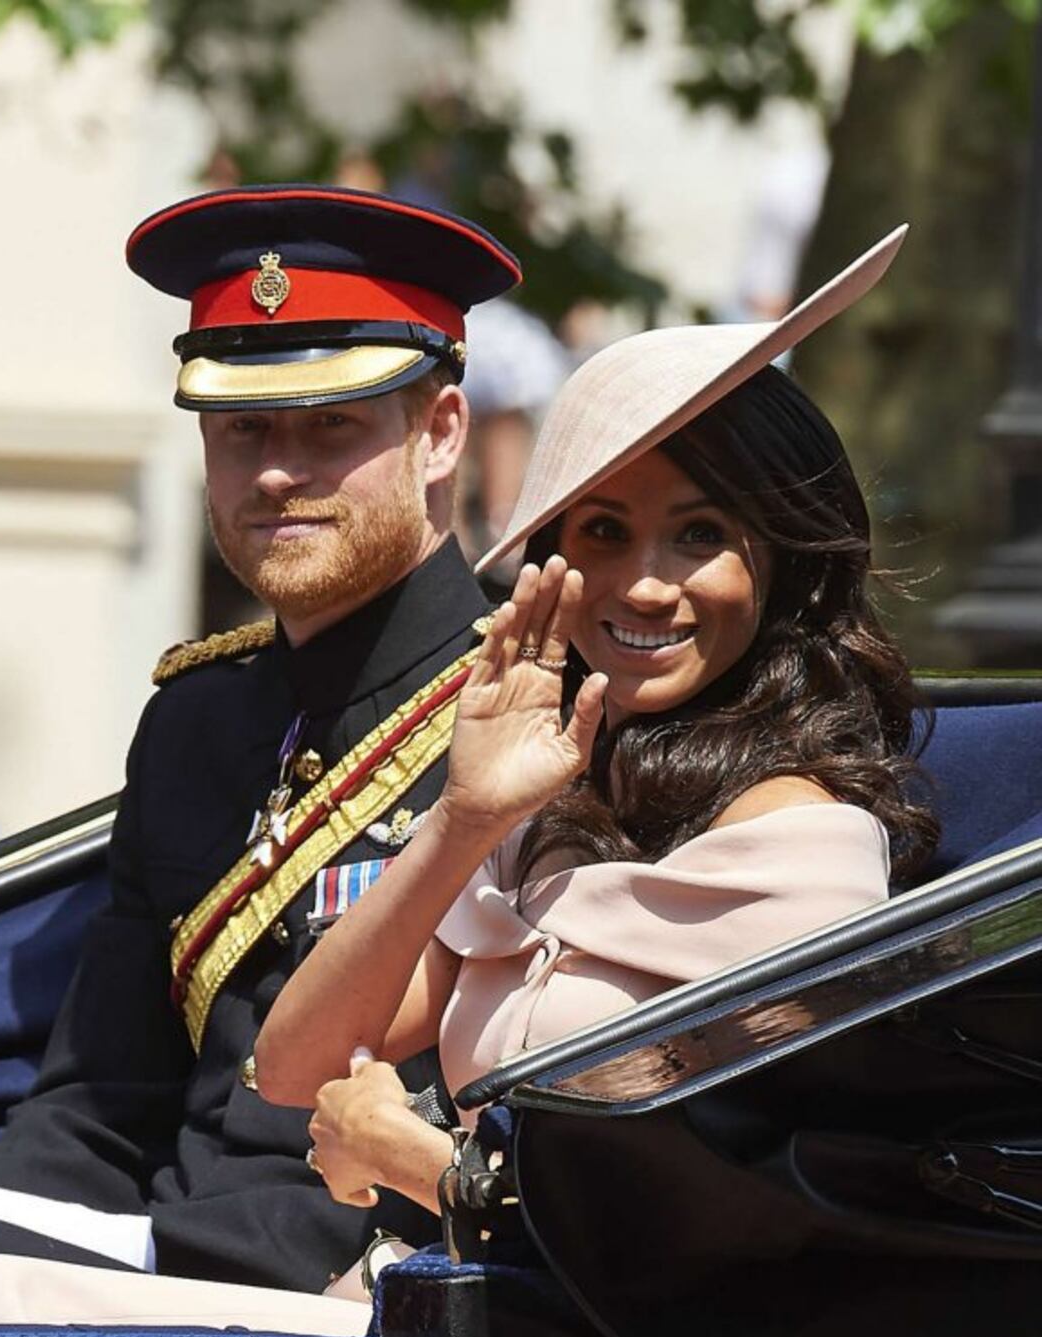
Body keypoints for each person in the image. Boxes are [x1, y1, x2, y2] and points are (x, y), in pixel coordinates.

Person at [0, 185, 521, 1297]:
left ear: (440, 432)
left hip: (363, 1282)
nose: (275, 472)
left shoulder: (531, 706)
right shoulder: (199, 718)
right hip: (163, 1268)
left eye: (330, 426)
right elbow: (101, 1106)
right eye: (244, 426)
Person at [253, 225, 939, 1219]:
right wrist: (464, 818)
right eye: (604, 533)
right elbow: (293, 1065)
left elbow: (728, 1214)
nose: (646, 586)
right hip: (427, 1323)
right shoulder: (551, 803)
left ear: (783, 558)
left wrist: (428, 1165)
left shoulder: (805, 846)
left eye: (700, 534)